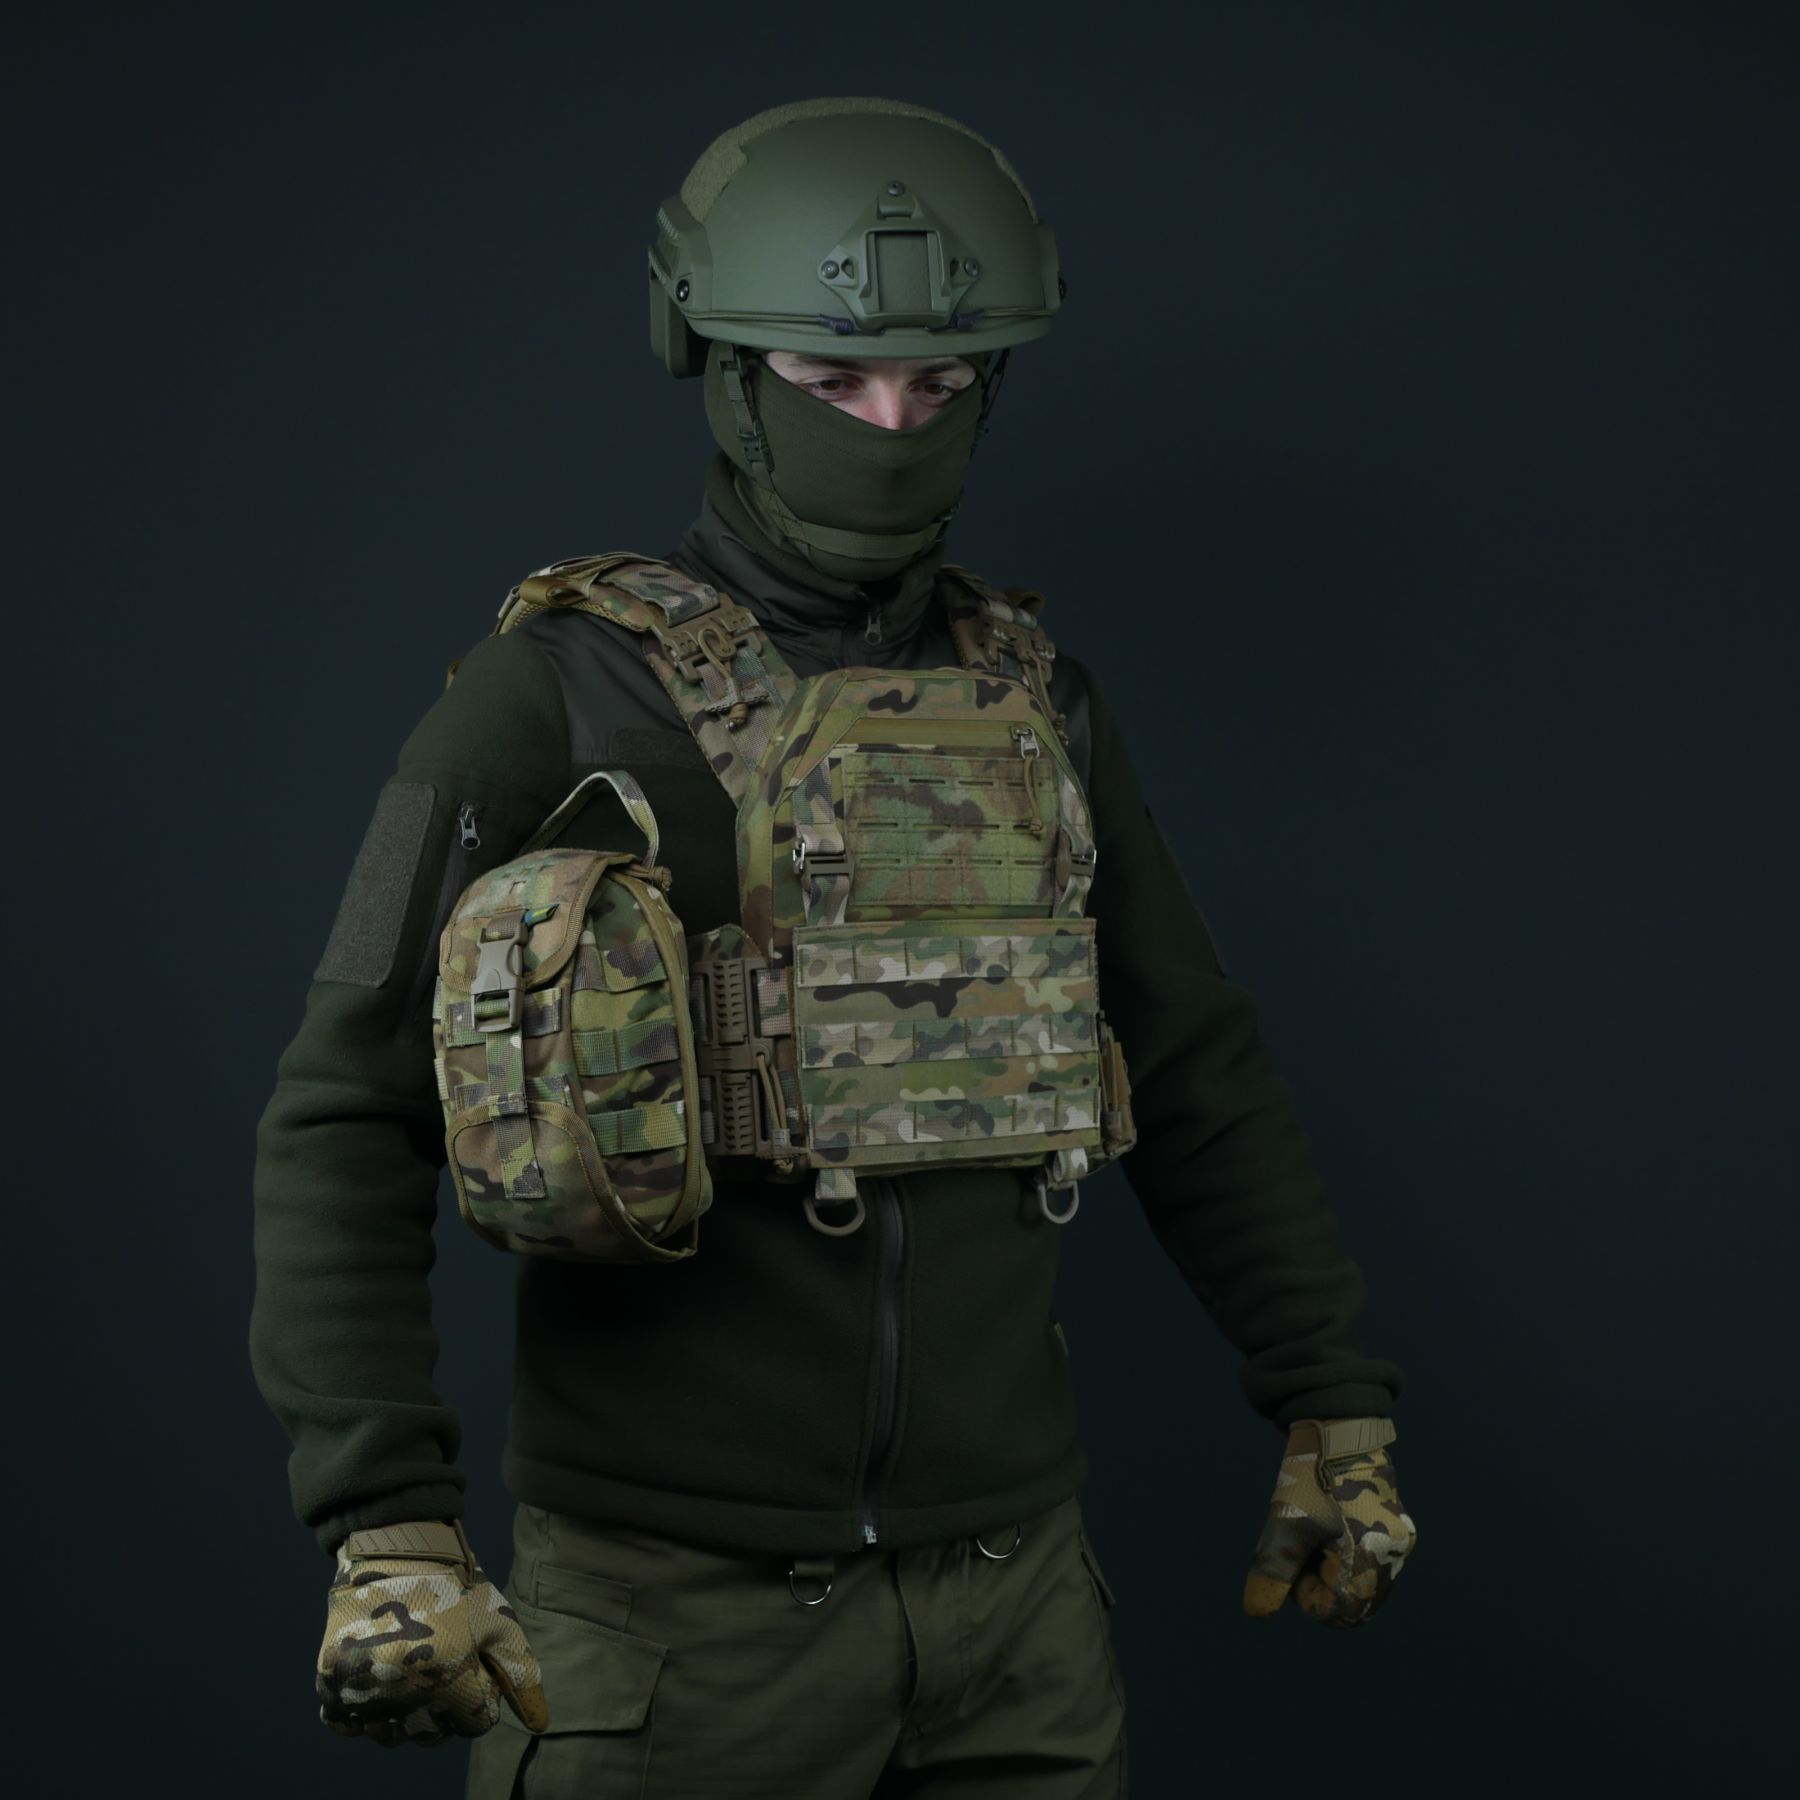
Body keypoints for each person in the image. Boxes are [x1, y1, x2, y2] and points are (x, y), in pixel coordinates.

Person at [251, 96, 1417, 1799]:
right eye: (832, 379)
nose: (890, 426)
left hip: (1017, 1617)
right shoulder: (545, 702)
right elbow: (340, 1113)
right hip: (672, 1629)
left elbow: (1194, 1066)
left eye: (940, 385)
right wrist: (387, 1522)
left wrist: (1332, 1399)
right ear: (721, 369)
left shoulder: (1043, 710)